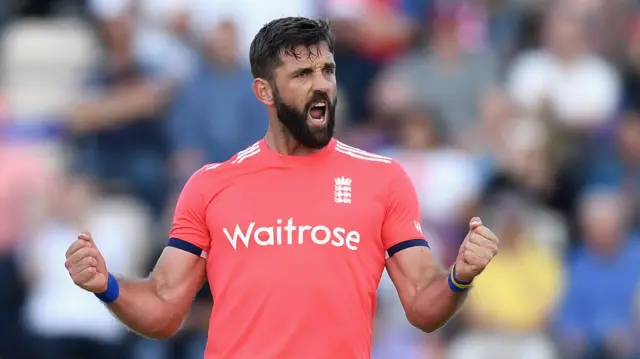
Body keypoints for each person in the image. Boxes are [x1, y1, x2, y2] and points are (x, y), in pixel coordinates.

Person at [64, 17, 500, 359]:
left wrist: (459, 277)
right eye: (303, 73)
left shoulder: (383, 179)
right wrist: (108, 286)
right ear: (264, 91)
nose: (322, 85)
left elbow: (424, 304)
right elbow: (163, 306)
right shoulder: (211, 185)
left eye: (327, 70)